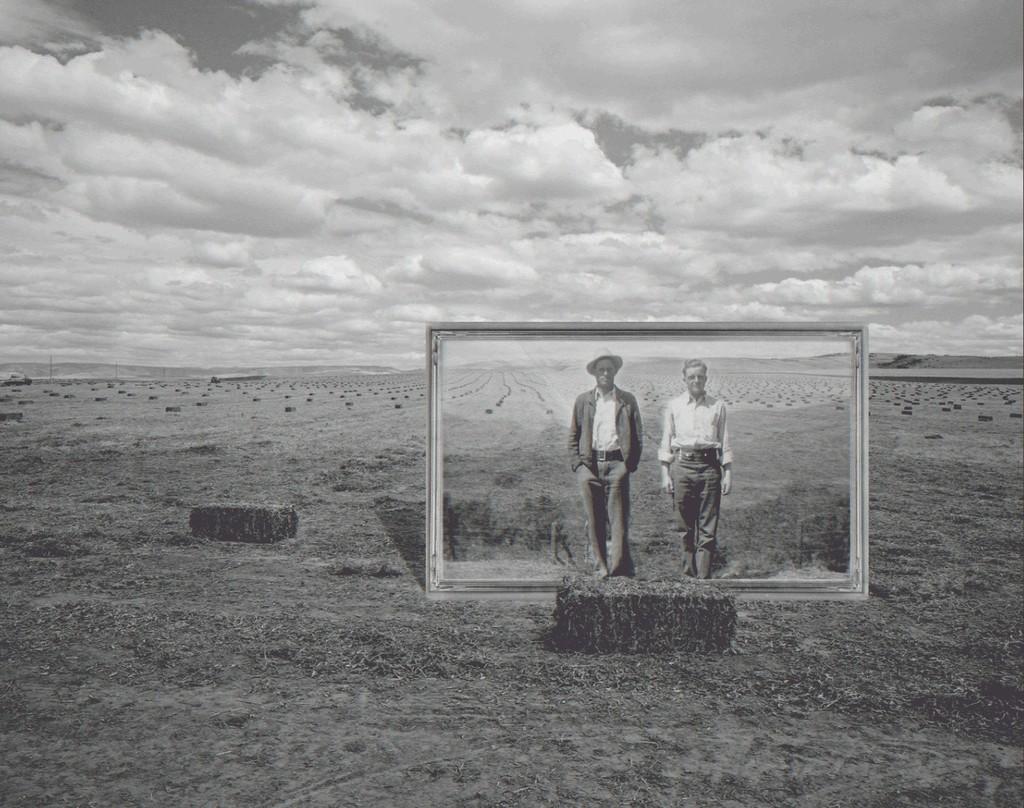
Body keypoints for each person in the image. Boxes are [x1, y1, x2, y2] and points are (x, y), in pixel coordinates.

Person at [567, 350, 643, 578]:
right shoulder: (583, 401)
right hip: (589, 467)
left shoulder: (627, 400)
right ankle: (600, 567)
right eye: (601, 370)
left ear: (615, 372)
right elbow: (573, 435)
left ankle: (619, 570)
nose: (606, 373)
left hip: (617, 465)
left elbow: (638, 436)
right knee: (595, 519)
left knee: (618, 521)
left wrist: (627, 466)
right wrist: (578, 467)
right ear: (594, 374)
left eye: (609, 369)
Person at [659, 358, 733, 579]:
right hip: (682, 467)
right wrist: (665, 473)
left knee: (707, 527)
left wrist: (728, 473)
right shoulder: (674, 406)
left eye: (700, 376)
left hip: (710, 468)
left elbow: (725, 441)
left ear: (706, 378)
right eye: (691, 376)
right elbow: (666, 441)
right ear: (684, 379)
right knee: (684, 527)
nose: (696, 380)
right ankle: (688, 576)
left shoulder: (717, 406)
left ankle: (703, 580)